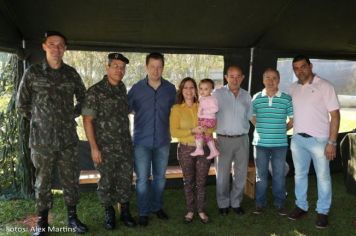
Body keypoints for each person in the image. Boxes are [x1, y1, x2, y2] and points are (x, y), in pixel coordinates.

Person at [16, 31, 88, 235]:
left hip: (67, 139)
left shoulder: (71, 74)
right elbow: (22, 105)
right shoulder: (33, 72)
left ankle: (73, 219)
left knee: (71, 180)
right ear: (44, 46)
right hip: (41, 140)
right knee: (42, 182)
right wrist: (41, 120)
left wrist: (70, 115)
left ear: (65, 49)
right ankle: (42, 224)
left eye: (60, 45)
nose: (56, 48)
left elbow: (84, 99)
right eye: (52, 44)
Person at [82, 53, 136, 230]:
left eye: (122, 67)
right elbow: (87, 120)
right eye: (116, 66)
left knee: (125, 179)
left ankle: (125, 211)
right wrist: (94, 148)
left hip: (124, 145)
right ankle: (109, 212)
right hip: (104, 147)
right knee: (106, 181)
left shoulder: (122, 88)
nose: (119, 70)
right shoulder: (95, 91)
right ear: (107, 67)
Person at [287, 55, 340, 229]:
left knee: (323, 177)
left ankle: (323, 211)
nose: (299, 71)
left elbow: (335, 116)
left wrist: (332, 142)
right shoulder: (292, 88)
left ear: (310, 66)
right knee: (299, 175)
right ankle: (301, 206)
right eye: (296, 68)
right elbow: (291, 115)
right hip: (298, 140)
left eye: (303, 67)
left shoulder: (325, 86)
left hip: (320, 140)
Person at [128, 52, 176, 226]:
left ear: (163, 67)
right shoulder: (136, 89)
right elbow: (126, 109)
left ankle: (157, 207)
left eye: (159, 66)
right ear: (146, 67)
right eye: (152, 66)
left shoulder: (170, 89)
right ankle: (143, 212)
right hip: (141, 142)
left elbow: (177, 112)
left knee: (160, 178)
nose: (156, 70)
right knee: (141, 179)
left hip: (163, 141)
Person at [250, 68, 293, 215]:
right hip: (260, 144)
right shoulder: (256, 98)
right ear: (263, 80)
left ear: (279, 80)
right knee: (261, 176)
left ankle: (280, 203)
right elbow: (251, 116)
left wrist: (281, 130)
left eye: (274, 78)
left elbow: (293, 120)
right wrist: (261, 128)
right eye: (267, 78)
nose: (270, 81)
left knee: (279, 175)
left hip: (280, 145)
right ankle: (260, 203)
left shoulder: (286, 98)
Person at [170, 77, 212, 224]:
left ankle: (200, 210)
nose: (189, 90)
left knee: (201, 182)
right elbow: (174, 132)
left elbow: (213, 123)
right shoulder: (176, 109)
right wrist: (192, 131)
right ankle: (190, 210)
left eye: (192, 87)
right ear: (182, 91)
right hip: (185, 150)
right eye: (185, 88)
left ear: (196, 90)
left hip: (204, 149)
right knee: (189, 181)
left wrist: (208, 129)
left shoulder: (203, 105)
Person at [212, 65, 252, 216]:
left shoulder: (247, 96)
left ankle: (236, 202)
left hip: (242, 140)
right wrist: (210, 136)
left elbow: (251, 117)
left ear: (242, 78)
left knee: (240, 174)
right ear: (226, 77)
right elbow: (208, 116)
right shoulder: (217, 94)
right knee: (222, 175)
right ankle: (223, 203)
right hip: (222, 140)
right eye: (231, 76)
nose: (234, 80)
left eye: (238, 76)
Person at [190, 78, 219, 159]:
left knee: (199, 131)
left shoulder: (212, 99)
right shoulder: (201, 98)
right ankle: (213, 151)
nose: (203, 91)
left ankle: (199, 149)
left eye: (206, 89)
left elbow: (215, 109)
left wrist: (204, 111)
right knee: (207, 136)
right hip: (204, 119)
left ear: (211, 90)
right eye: (201, 88)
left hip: (208, 119)